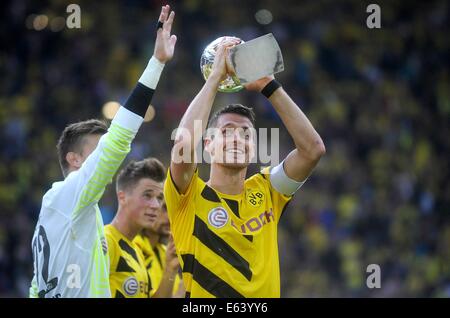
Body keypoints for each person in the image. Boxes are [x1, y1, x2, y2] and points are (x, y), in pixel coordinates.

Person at [30, 4, 177, 298]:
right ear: (74, 159)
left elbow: (37, 287)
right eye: (97, 150)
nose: (106, 158)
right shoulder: (70, 193)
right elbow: (118, 140)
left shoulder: (71, 211)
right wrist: (156, 64)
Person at [164, 37, 326, 297]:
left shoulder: (268, 189)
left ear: (253, 147)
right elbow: (183, 142)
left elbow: (313, 150)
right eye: (227, 131)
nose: (238, 138)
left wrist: (268, 85)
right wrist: (214, 79)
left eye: (246, 134)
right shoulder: (188, 196)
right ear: (208, 144)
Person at [106, 158, 177, 298]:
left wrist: (170, 268)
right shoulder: (106, 241)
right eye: (147, 195)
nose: (156, 205)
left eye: (159, 198)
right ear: (122, 197)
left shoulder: (136, 252)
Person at [134, 202, 185, 298]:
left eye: (173, 209)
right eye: (165, 208)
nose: (170, 216)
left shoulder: (165, 252)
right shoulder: (134, 250)